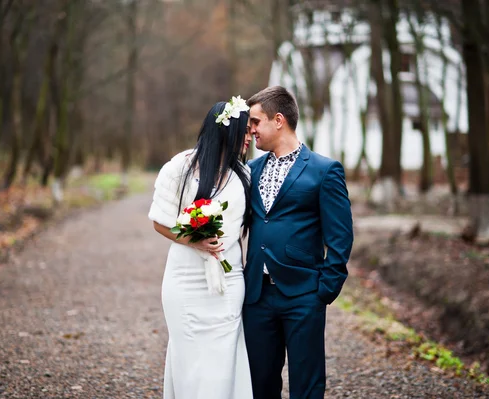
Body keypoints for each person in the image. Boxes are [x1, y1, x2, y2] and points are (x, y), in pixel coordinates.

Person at [243, 86, 353, 399]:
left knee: (306, 385)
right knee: (259, 383)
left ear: (278, 120)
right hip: (256, 296)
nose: (250, 130)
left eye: (255, 122)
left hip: (303, 295)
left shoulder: (324, 170)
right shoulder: (250, 171)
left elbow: (340, 235)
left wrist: (325, 289)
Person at [148, 97, 254, 399]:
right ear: (227, 131)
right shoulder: (180, 168)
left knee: (224, 361)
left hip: (228, 281)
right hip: (185, 281)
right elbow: (159, 222)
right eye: (244, 131)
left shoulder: (244, 176)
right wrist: (194, 238)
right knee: (190, 360)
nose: (249, 138)